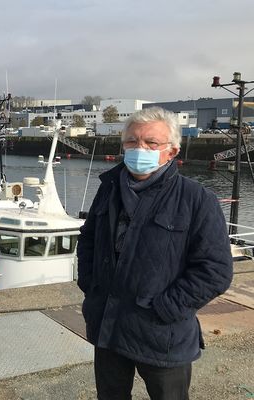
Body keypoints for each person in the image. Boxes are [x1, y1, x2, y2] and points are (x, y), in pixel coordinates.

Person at [77, 106, 233, 400]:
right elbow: (88, 240)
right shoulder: (108, 188)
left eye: (151, 143)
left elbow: (215, 270)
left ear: (172, 152)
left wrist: (166, 309)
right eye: (132, 142)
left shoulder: (197, 199)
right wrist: (90, 286)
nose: (140, 148)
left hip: (162, 335)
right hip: (108, 326)